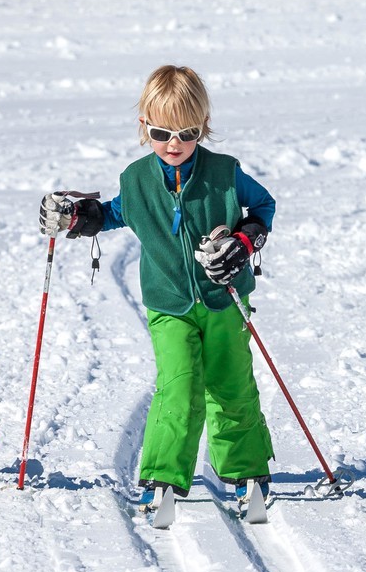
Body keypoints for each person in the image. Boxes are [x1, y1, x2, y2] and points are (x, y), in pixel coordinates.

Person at [39, 65, 276, 506]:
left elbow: (263, 206)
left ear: (203, 127)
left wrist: (244, 242)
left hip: (225, 298)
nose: (174, 144)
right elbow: (115, 212)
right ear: (144, 126)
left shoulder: (225, 173)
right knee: (179, 386)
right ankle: (163, 475)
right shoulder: (137, 179)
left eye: (187, 133)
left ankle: (246, 470)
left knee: (231, 385)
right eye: (162, 133)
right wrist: (76, 219)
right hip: (168, 304)